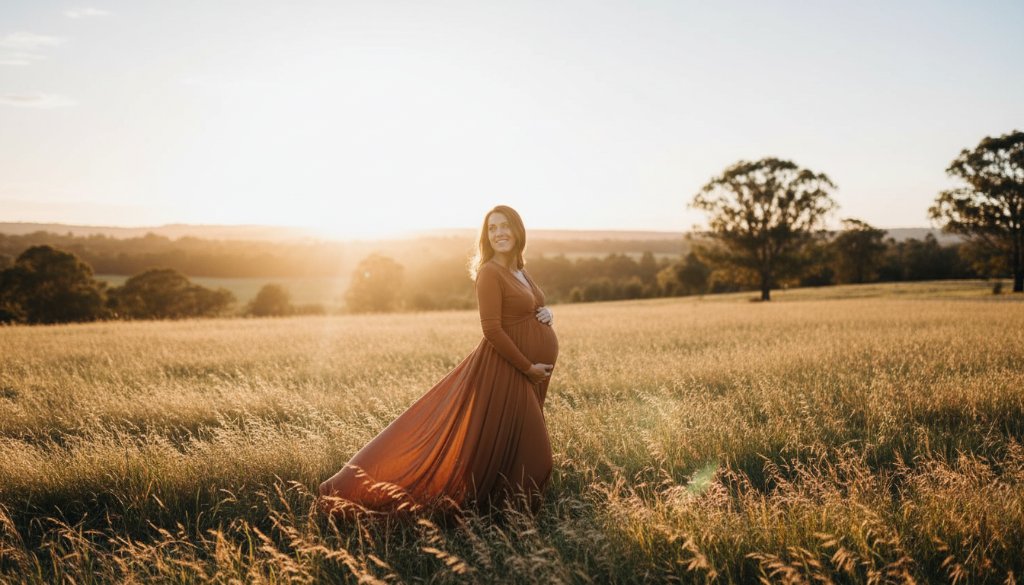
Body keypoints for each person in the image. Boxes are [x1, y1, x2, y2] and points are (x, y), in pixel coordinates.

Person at [318, 205, 558, 517]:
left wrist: (547, 312)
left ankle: (503, 516)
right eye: (492, 228)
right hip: (507, 371)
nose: (499, 233)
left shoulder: (520, 270)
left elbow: (529, 306)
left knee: (512, 451)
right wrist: (528, 368)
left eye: (505, 226)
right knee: (537, 456)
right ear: (486, 237)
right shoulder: (489, 273)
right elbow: (492, 329)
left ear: (518, 230)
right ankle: (506, 514)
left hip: (528, 373)